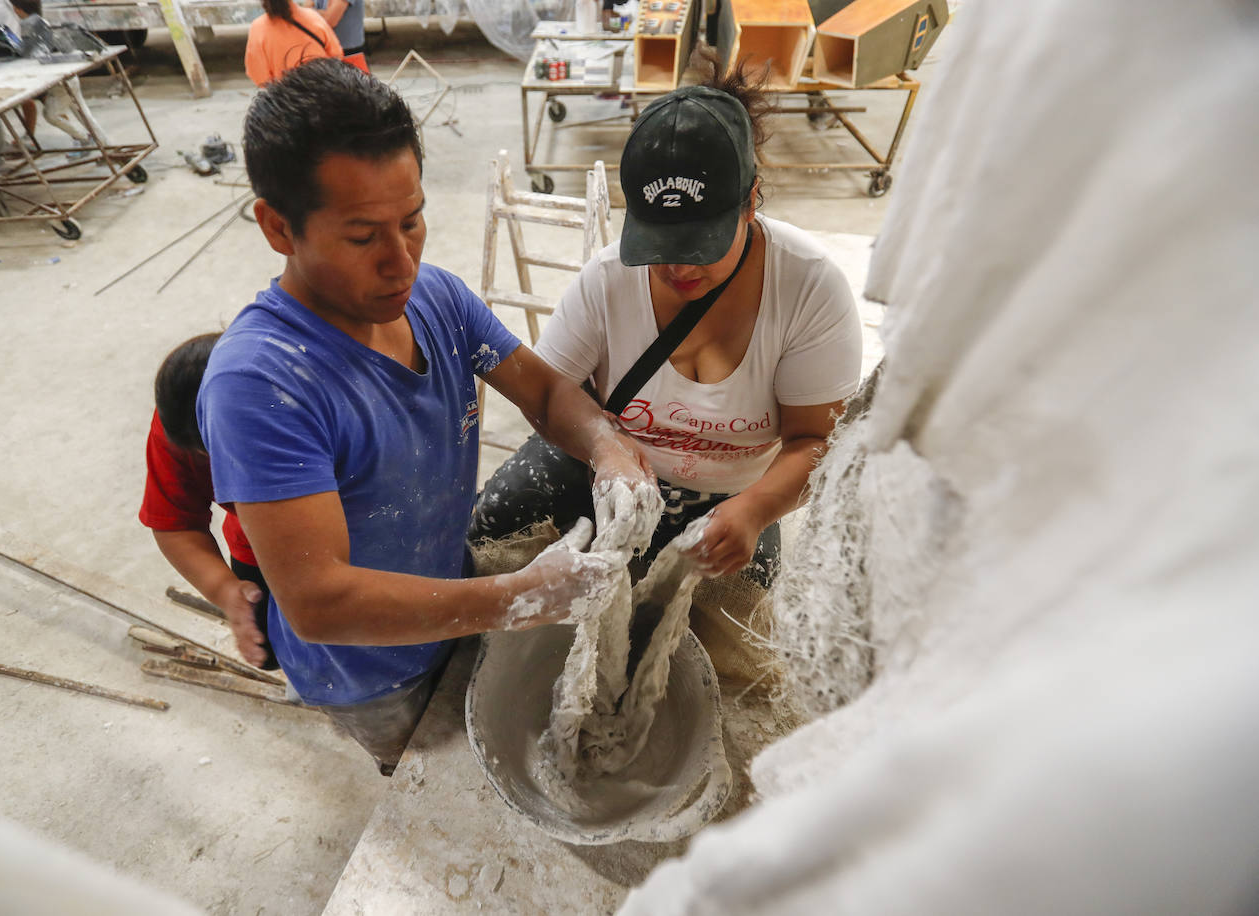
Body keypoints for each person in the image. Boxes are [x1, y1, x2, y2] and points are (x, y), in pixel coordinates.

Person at [197, 59, 659, 775]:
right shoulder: (262, 385)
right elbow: (321, 600)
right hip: (368, 669)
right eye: (362, 237)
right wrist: (518, 597)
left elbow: (540, 393)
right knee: (423, 765)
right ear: (277, 226)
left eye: (412, 222)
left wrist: (607, 445)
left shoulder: (436, 300)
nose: (400, 261)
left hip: (453, 591)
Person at [470, 60, 863, 598]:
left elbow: (816, 439)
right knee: (496, 524)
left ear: (750, 202)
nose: (679, 269)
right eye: (660, 248)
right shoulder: (608, 280)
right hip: (607, 475)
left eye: (699, 247)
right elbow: (549, 389)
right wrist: (603, 447)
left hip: (730, 496)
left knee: (736, 609)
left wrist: (753, 510)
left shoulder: (809, 289)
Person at [139, 334, 277, 670]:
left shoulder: (324, 395)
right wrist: (226, 590)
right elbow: (177, 525)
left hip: (362, 522)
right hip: (259, 546)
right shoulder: (182, 425)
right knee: (272, 648)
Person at [9, 0, 110, 157]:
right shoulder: (43, 21)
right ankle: (106, 148)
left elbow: (31, 55)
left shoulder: (29, 25)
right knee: (84, 115)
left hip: (60, 81)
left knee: (51, 115)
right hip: (67, 76)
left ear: (17, 9)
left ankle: (85, 139)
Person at [244, 0, 343, 88]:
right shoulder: (314, 18)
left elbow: (259, 76)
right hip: (322, 93)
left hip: (287, 101)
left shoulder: (258, 29)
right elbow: (337, 55)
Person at [315, 0, 369, 73]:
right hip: (326, 51)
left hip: (349, 53)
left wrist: (314, 12)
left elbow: (329, 20)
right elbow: (306, 13)